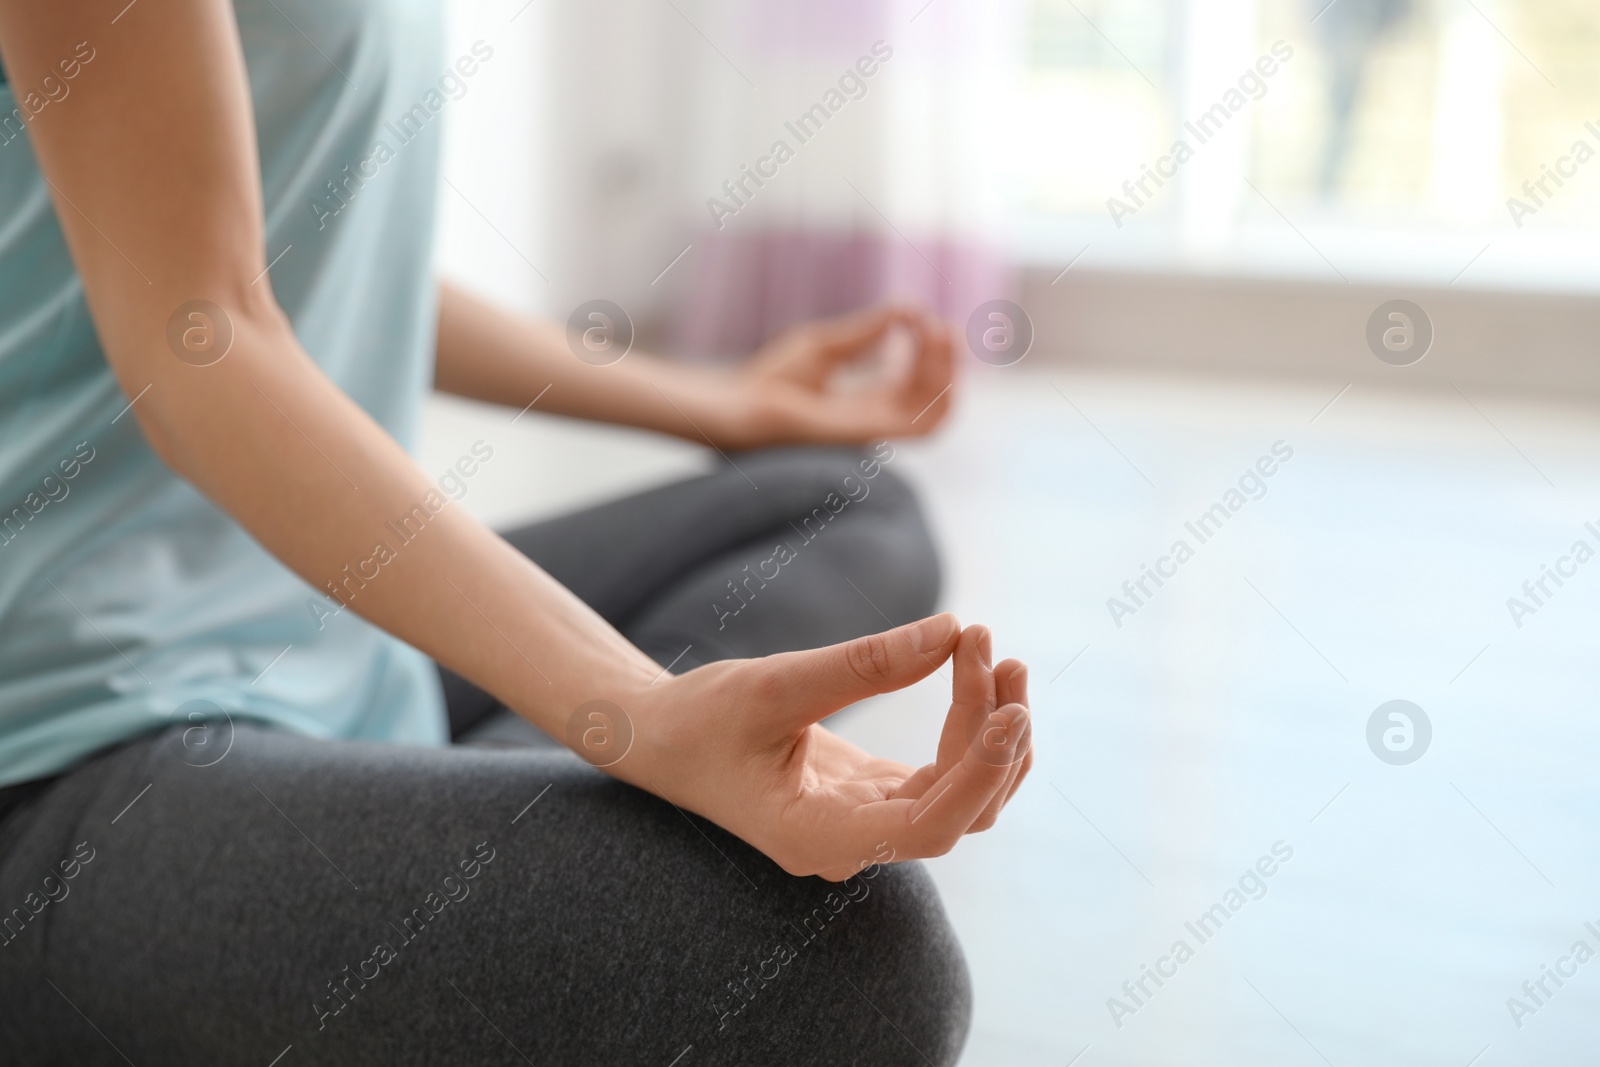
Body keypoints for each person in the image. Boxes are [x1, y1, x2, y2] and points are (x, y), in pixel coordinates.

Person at [0, 2, 1033, 1064]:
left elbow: (306, 251)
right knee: (855, 961)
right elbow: (209, 338)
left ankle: (428, 828)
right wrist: (631, 708)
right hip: (71, 759)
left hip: (344, 649)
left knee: (840, 507)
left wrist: (719, 403)